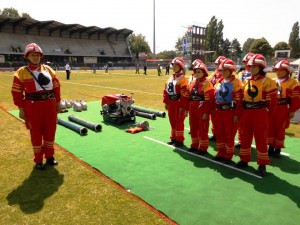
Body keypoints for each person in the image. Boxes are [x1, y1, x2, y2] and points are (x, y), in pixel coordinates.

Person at [11, 43, 61, 170]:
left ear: (41, 56)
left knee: (50, 131)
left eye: (37, 55)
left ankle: (50, 156)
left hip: (49, 105)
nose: (35, 57)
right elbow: (16, 92)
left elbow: (56, 87)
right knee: (36, 133)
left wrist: (58, 103)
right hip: (32, 107)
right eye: (32, 55)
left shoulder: (48, 70)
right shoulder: (21, 72)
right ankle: (38, 159)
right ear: (27, 56)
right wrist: (21, 109)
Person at [237, 54, 278, 176]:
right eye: (251, 67)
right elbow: (240, 98)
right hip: (247, 113)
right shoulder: (246, 81)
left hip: (260, 113)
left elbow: (273, 101)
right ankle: (244, 159)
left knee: (261, 138)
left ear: (261, 67)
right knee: (245, 137)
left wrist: (268, 114)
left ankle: (262, 164)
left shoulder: (268, 82)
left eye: (255, 67)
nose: (252, 69)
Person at [268, 60, 300, 157]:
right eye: (277, 70)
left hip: (283, 108)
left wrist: (292, 111)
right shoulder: (272, 81)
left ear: (287, 71)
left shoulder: (293, 83)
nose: (278, 72)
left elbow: (296, 99)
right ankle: (270, 147)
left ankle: (278, 148)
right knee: (270, 127)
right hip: (272, 108)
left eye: (281, 70)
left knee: (280, 128)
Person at [213, 58, 243, 164]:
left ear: (231, 71)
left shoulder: (236, 83)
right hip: (218, 112)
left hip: (230, 112)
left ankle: (228, 154)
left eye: (226, 70)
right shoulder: (218, 82)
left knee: (229, 135)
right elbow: (215, 97)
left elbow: (239, 101)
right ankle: (220, 152)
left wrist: (236, 115)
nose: (223, 72)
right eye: (222, 70)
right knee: (219, 133)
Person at [186, 61, 215, 155]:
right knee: (193, 127)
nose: (197, 73)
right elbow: (188, 96)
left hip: (202, 108)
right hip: (192, 108)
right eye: (196, 71)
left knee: (203, 128)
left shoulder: (207, 84)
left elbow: (209, 100)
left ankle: (203, 147)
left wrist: (207, 112)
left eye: (199, 72)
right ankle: (194, 145)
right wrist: (186, 108)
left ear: (204, 73)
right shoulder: (193, 83)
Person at [163, 57, 189, 147]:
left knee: (179, 122)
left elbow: (185, 95)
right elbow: (165, 91)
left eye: (176, 66)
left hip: (178, 103)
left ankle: (179, 140)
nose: (174, 67)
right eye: (173, 65)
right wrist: (166, 102)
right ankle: (173, 138)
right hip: (171, 103)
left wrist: (183, 106)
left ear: (181, 67)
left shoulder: (183, 80)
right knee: (172, 121)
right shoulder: (170, 78)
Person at [235, 52, 254, 149]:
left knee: (250, 125)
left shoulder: (255, 74)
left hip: (252, 102)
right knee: (240, 123)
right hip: (241, 101)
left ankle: (247, 141)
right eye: (246, 62)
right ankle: (241, 140)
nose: (247, 64)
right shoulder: (240, 74)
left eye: (249, 62)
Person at [208, 55, 226, 142]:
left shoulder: (225, 75)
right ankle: (215, 134)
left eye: (219, 64)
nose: (217, 66)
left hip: (222, 101)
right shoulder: (213, 74)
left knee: (222, 121)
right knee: (213, 118)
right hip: (213, 100)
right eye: (217, 64)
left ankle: (221, 135)